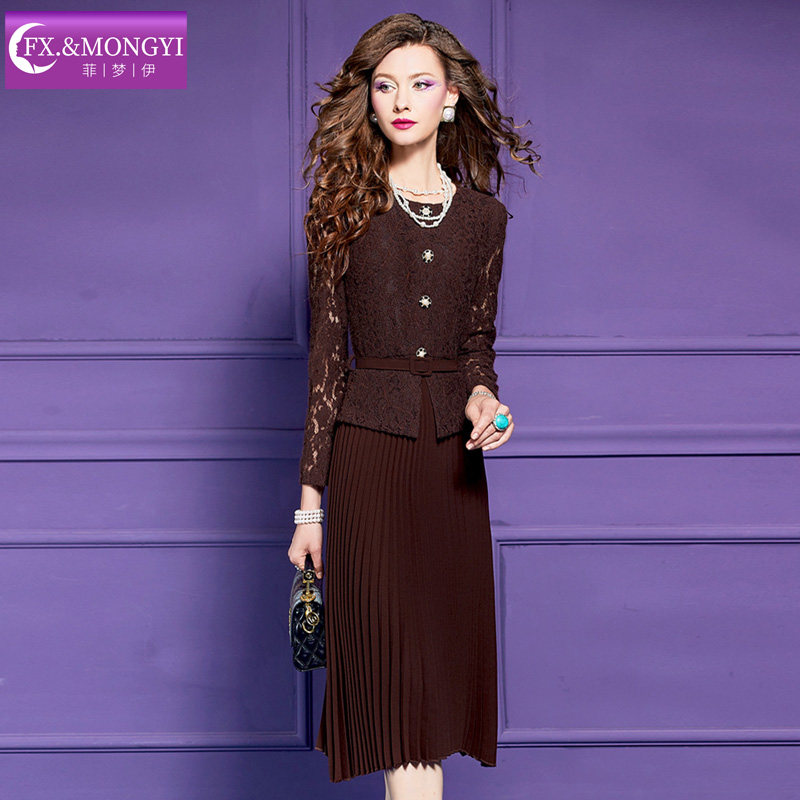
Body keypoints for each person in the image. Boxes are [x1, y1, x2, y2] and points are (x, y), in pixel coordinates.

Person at [287, 13, 541, 797]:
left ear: (451, 97)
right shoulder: (340, 208)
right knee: (399, 692)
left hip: (450, 473)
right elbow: (326, 361)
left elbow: (478, 344)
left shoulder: (485, 220)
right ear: (368, 99)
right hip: (368, 459)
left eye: (420, 84)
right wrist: (309, 509)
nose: (402, 100)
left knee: (435, 686)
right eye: (385, 85)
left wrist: (488, 400)